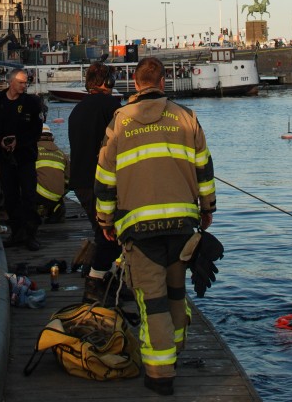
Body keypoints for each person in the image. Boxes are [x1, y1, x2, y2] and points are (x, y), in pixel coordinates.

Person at [95, 56, 216, 397]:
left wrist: (105, 220)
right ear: (163, 83)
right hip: (181, 226)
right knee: (177, 295)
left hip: (139, 228)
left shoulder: (120, 121)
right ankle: (174, 353)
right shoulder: (186, 117)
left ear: (135, 83)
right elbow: (204, 170)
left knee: (153, 303)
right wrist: (208, 210)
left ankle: (160, 376)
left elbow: (105, 177)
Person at [68, 61, 122, 301]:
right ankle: (96, 282)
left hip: (80, 182)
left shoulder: (76, 110)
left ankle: (109, 280)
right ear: (106, 82)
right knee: (111, 235)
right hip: (102, 181)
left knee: (101, 231)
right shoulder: (111, 106)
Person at [0, 67, 43, 251]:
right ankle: (16, 232)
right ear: (11, 82)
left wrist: (20, 142)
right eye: (21, 82)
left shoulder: (31, 103)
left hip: (25, 156)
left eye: (26, 82)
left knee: (29, 195)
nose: (24, 86)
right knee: (10, 196)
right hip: (5, 158)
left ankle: (30, 233)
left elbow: (36, 131)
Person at [36, 124, 69, 223]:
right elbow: (69, 179)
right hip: (57, 196)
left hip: (37, 195)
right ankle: (56, 209)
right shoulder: (61, 153)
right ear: (51, 137)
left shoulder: (32, 151)